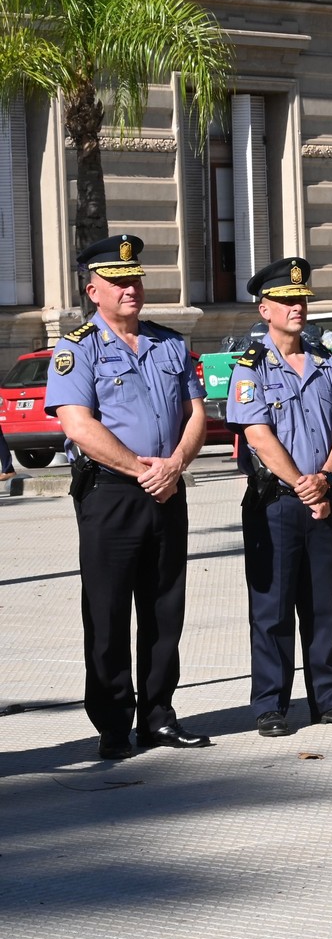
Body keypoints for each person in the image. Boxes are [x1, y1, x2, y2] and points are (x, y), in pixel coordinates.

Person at [45, 233, 210, 759]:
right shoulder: (76, 349)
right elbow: (77, 425)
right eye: (117, 282)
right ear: (93, 290)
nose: (130, 289)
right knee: (109, 611)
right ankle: (114, 724)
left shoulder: (169, 343)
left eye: (135, 278)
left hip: (167, 487)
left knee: (165, 609)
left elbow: (197, 414)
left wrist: (177, 464)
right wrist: (141, 469)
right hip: (112, 494)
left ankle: (159, 716)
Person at [227, 257, 332, 736]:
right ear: (264, 308)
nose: (298, 307)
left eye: (302, 299)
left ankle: (327, 698)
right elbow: (257, 434)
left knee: (321, 604)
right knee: (272, 607)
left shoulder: (326, 361)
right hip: (275, 503)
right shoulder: (251, 367)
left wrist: (325, 478)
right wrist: (301, 483)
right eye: (287, 301)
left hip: (323, 497)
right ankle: (270, 704)